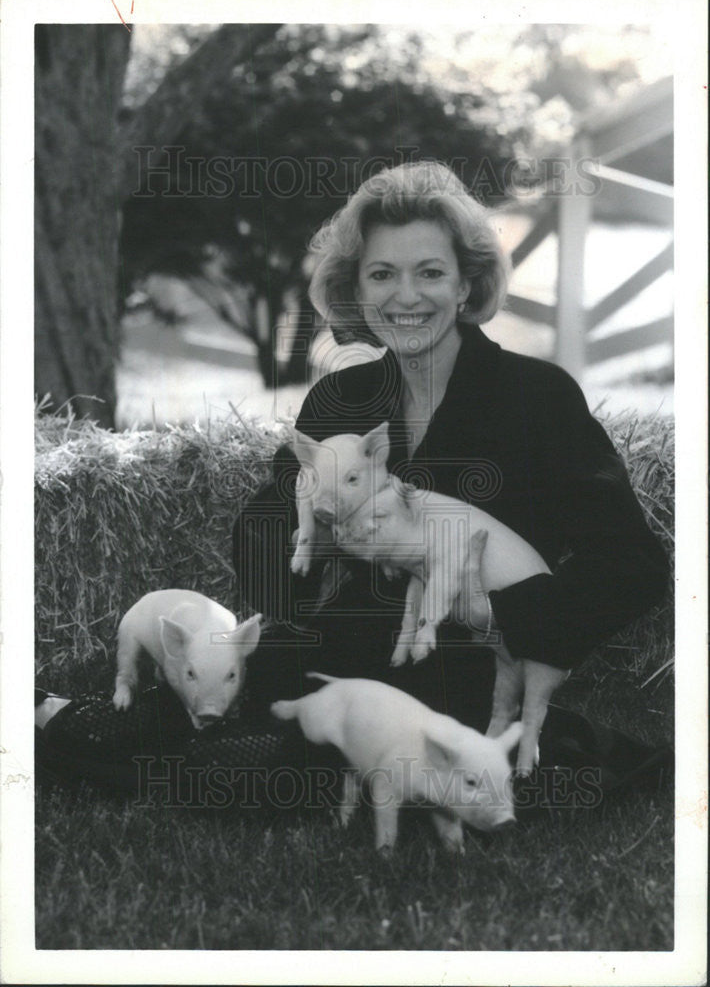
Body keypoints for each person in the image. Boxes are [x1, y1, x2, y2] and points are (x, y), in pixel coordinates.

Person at [36, 162, 671, 807]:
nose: (406, 297)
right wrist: (280, 623)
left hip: (466, 667)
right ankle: (86, 725)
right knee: (240, 729)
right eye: (382, 275)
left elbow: (632, 563)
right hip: (335, 653)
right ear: (357, 291)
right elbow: (267, 525)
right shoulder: (341, 398)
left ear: (465, 284)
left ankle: (86, 731)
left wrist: (529, 630)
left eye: (430, 272)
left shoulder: (538, 396)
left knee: (277, 764)